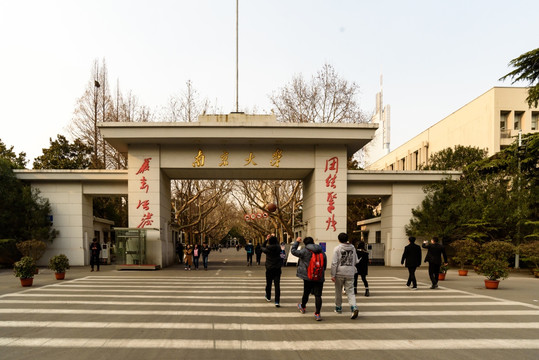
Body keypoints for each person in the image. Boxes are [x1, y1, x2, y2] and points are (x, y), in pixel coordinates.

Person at [291, 236, 327, 321]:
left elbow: (293, 251)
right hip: (319, 276)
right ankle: (317, 314)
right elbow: (324, 264)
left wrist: (297, 242)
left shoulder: (304, 251)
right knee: (318, 295)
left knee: (306, 292)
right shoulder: (321, 251)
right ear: (313, 242)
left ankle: (303, 307)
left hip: (308, 277)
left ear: (305, 243)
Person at [331, 232, 359, 319]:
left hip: (339, 273)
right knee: (350, 291)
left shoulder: (337, 248)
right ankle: (354, 307)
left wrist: (333, 274)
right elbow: (356, 261)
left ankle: (338, 308)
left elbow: (334, 263)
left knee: (338, 291)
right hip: (350, 273)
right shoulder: (353, 248)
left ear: (339, 239)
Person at [261, 235, 282, 307]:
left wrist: (266, 240)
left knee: (269, 283)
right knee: (277, 285)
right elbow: (282, 256)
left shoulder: (268, 249)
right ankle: (277, 301)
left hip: (269, 268)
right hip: (277, 268)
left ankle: (268, 296)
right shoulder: (279, 248)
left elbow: (262, 247)